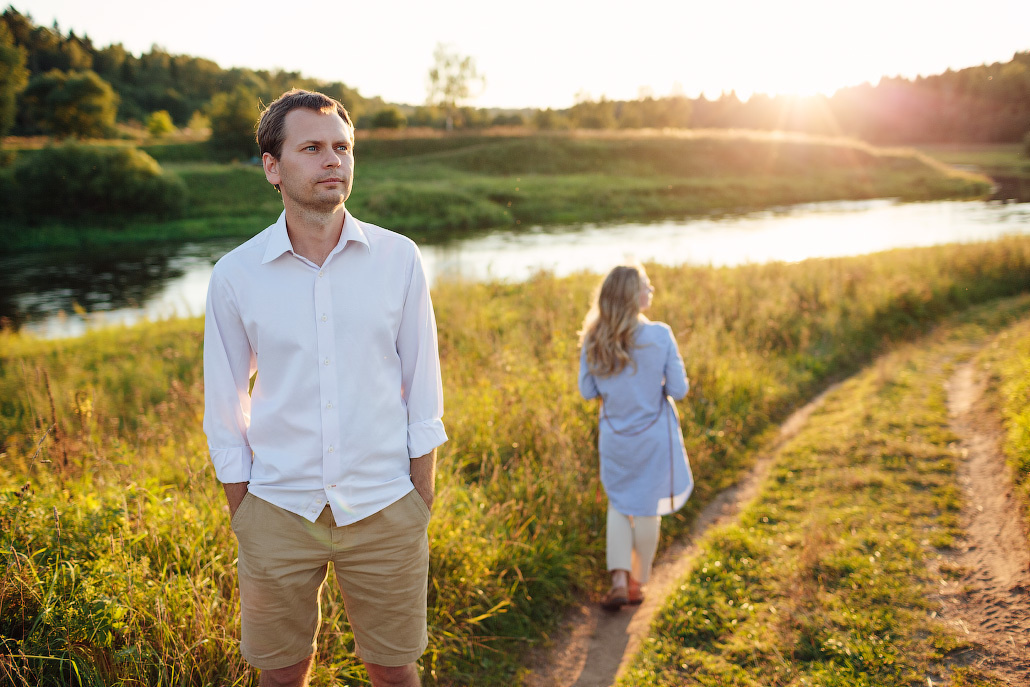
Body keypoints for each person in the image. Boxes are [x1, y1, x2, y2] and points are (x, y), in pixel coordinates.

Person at [203, 89, 447, 687]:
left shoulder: (399, 258)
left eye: (342, 147)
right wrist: (245, 513)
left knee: (394, 671)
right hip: (277, 509)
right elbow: (225, 405)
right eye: (311, 148)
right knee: (281, 676)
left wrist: (418, 499)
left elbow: (423, 389)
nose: (333, 159)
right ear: (272, 167)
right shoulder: (235, 274)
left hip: (385, 505)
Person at [578, 264, 693, 611]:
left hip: (615, 438)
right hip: (653, 436)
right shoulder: (660, 335)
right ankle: (635, 584)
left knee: (619, 502)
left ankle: (617, 579)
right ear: (632, 295)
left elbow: (587, 391)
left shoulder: (593, 337)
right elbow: (679, 389)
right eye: (646, 285)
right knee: (646, 508)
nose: (651, 290)